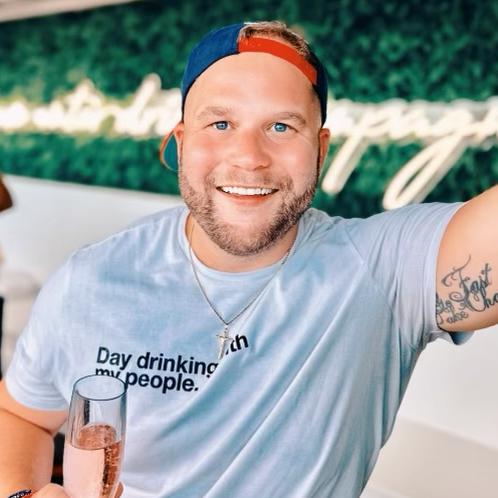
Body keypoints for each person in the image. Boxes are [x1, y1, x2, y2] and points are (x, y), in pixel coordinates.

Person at [0, 20, 497, 498]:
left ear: (320, 149)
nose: (249, 156)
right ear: (181, 142)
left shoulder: (383, 271)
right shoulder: (90, 280)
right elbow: (20, 415)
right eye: (220, 123)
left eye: (281, 126)